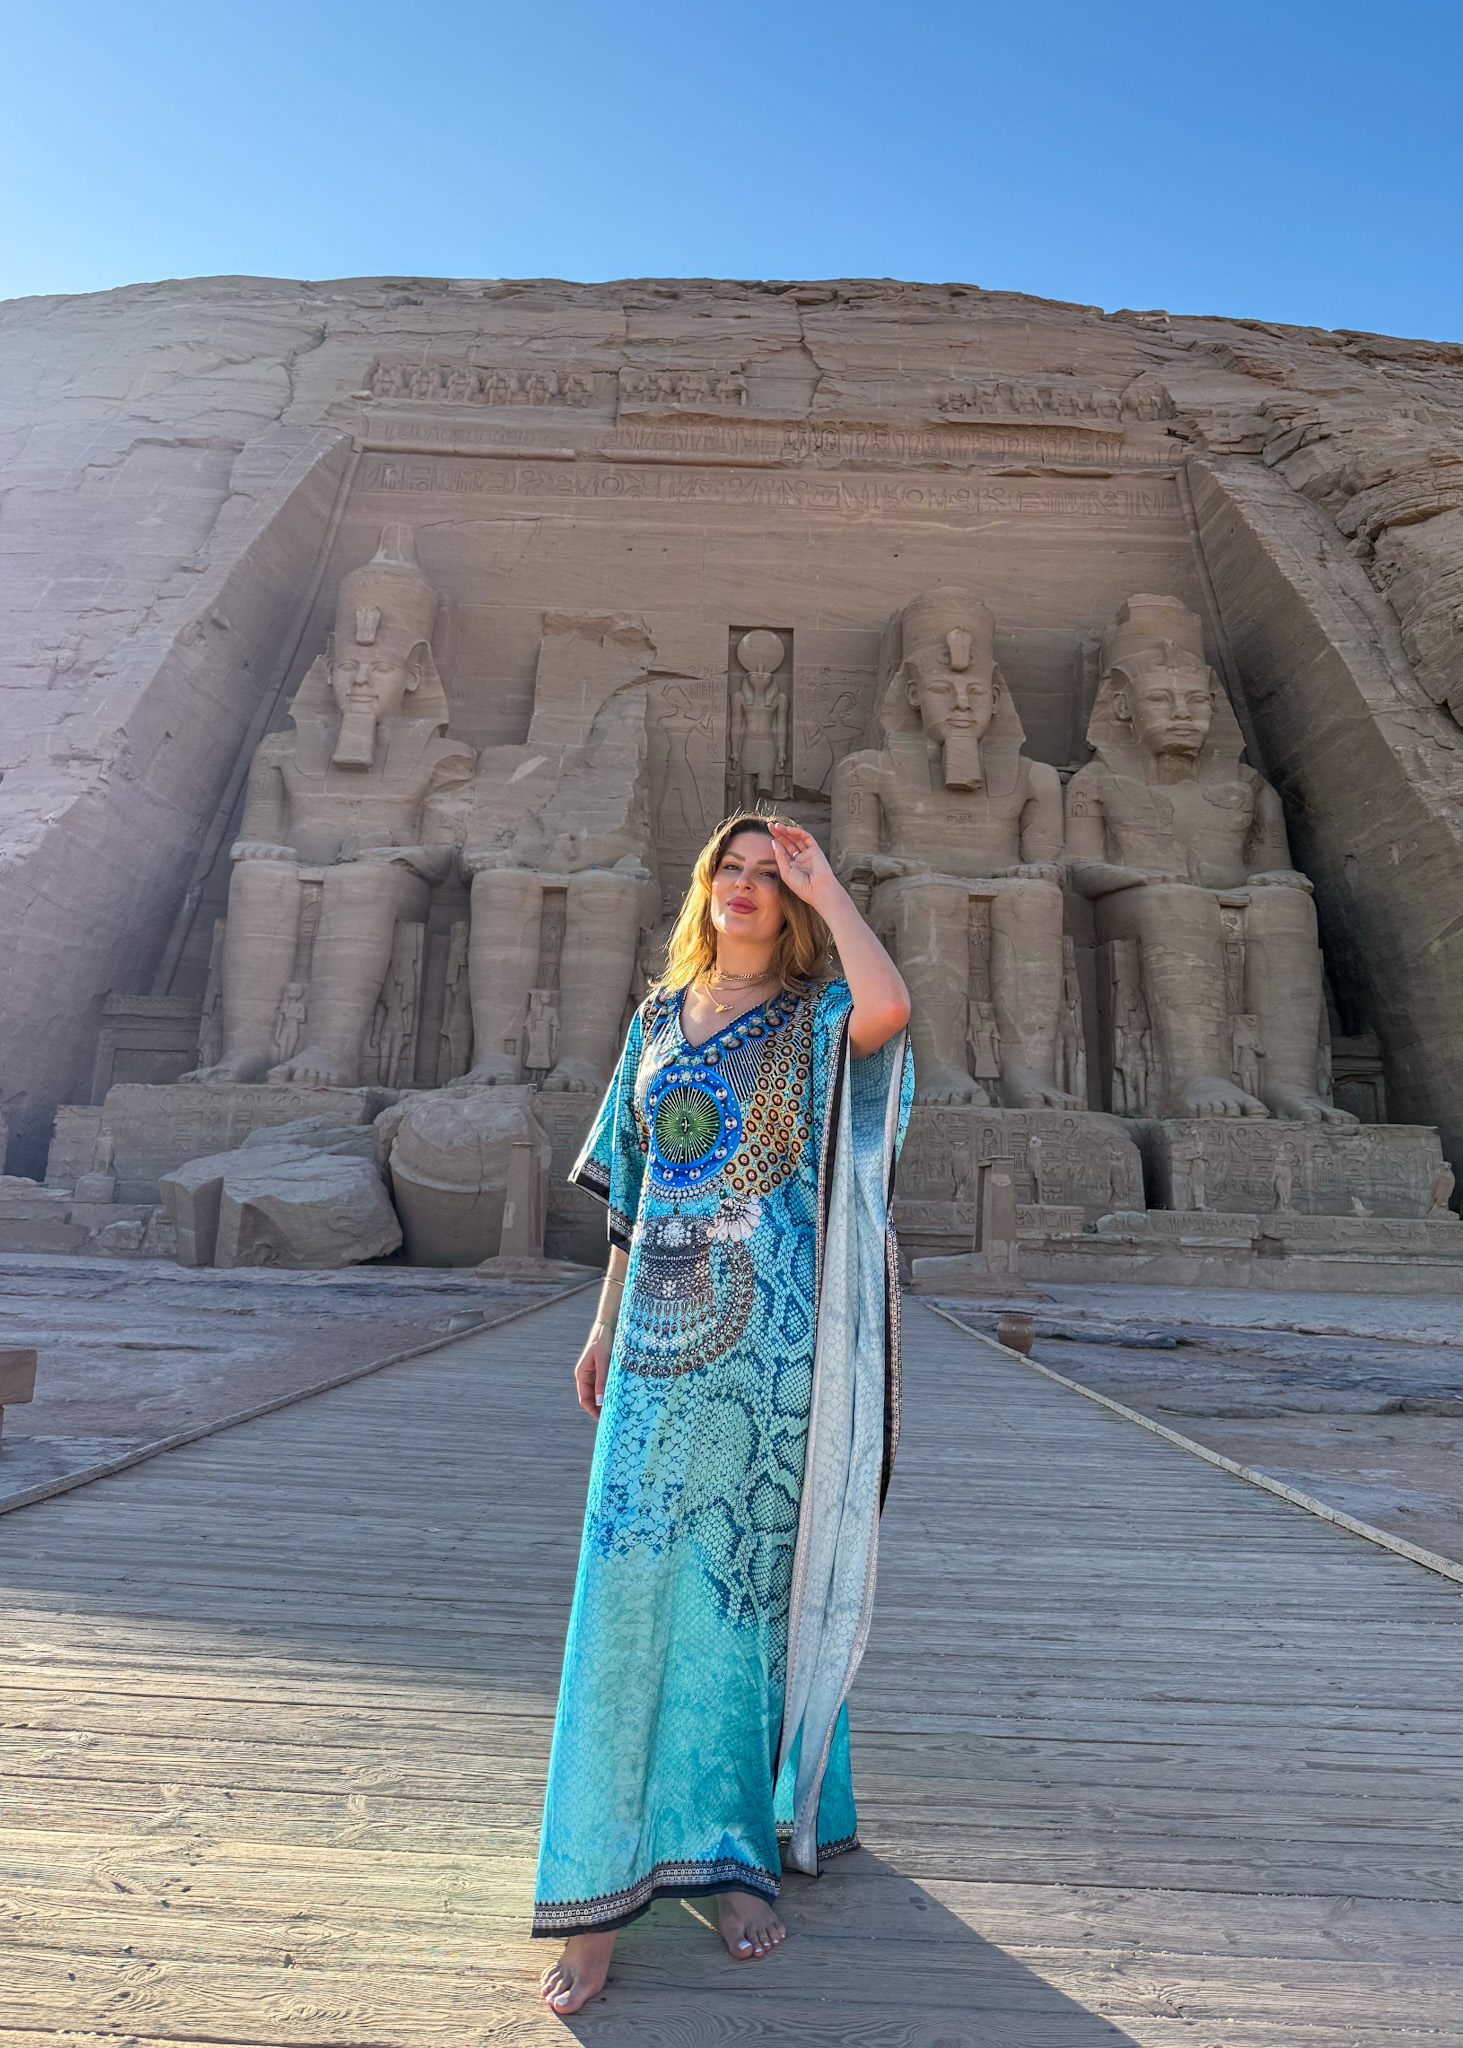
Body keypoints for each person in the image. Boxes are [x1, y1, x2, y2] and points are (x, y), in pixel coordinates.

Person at [535, 813, 913, 2014]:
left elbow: (889, 1009)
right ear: (703, 889)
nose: (749, 889)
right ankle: (596, 1877)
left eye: (769, 876)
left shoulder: (810, 1021)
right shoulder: (652, 1025)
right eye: (732, 872)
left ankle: (734, 1854)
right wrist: (599, 1323)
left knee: (742, 1594)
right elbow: (628, 1203)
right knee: (629, 1581)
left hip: (771, 1350)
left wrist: (827, 882)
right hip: (651, 1344)